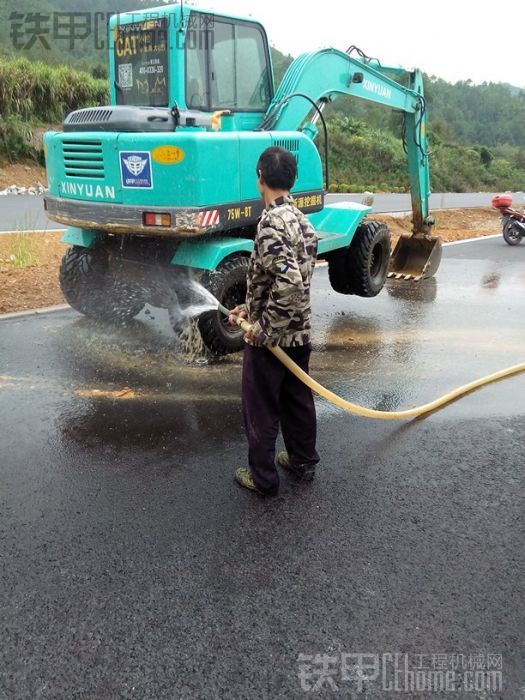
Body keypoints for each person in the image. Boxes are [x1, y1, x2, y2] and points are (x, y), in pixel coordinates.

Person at [228, 146, 320, 497]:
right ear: (293, 180)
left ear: (260, 177)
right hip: (299, 333)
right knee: (297, 398)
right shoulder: (302, 220)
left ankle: (264, 479)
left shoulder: (270, 224)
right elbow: (281, 280)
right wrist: (248, 310)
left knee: (261, 407)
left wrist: (264, 330)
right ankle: (302, 460)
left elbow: (290, 283)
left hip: (273, 342)